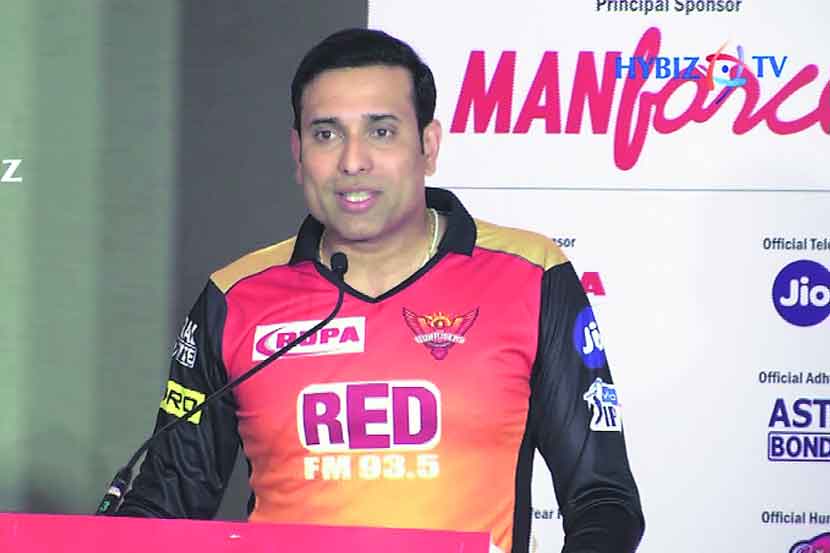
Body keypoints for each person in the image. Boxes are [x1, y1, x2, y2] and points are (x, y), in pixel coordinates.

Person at [117, 28, 645, 553]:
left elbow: (603, 499)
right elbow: (165, 504)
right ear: (297, 153)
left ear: (428, 146)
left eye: (381, 131)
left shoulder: (531, 273)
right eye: (326, 134)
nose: (352, 161)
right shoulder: (234, 296)